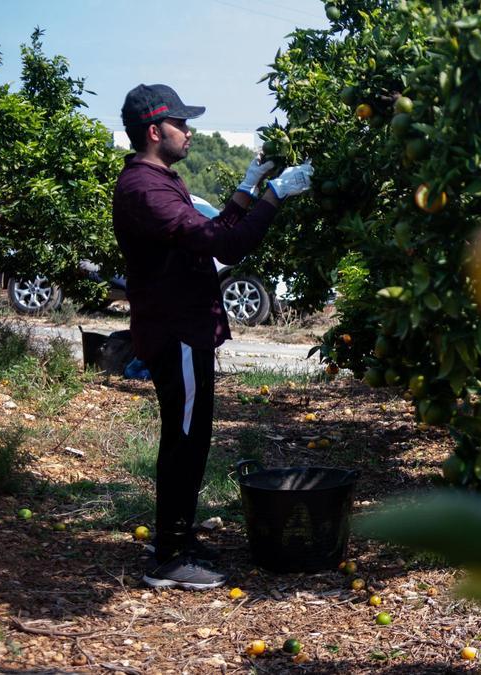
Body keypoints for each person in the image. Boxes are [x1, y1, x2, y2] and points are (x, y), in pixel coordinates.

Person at [112, 83, 313, 590]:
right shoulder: (144, 189)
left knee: (194, 437)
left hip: (186, 329)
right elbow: (224, 244)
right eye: (181, 123)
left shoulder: (162, 180)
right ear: (154, 131)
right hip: (176, 331)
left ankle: (178, 537)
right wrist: (274, 195)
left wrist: (247, 187)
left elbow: (211, 232)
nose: (189, 131)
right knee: (184, 439)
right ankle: (168, 556)